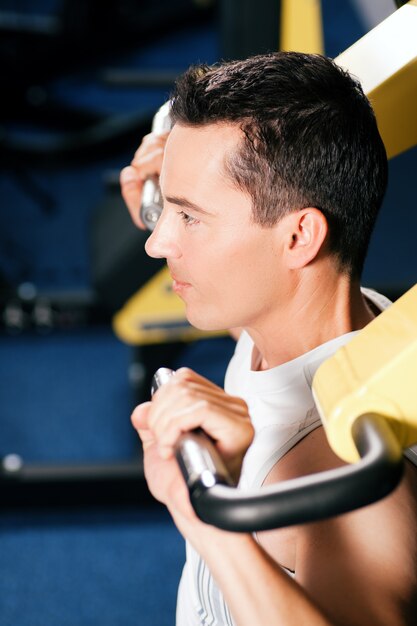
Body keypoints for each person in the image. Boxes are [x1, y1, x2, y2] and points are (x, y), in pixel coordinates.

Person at [120, 52, 417, 626]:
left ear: (300, 236)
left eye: (191, 218)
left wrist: (203, 513)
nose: (157, 245)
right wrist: (168, 201)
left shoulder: (342, 479)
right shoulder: (320, 322)